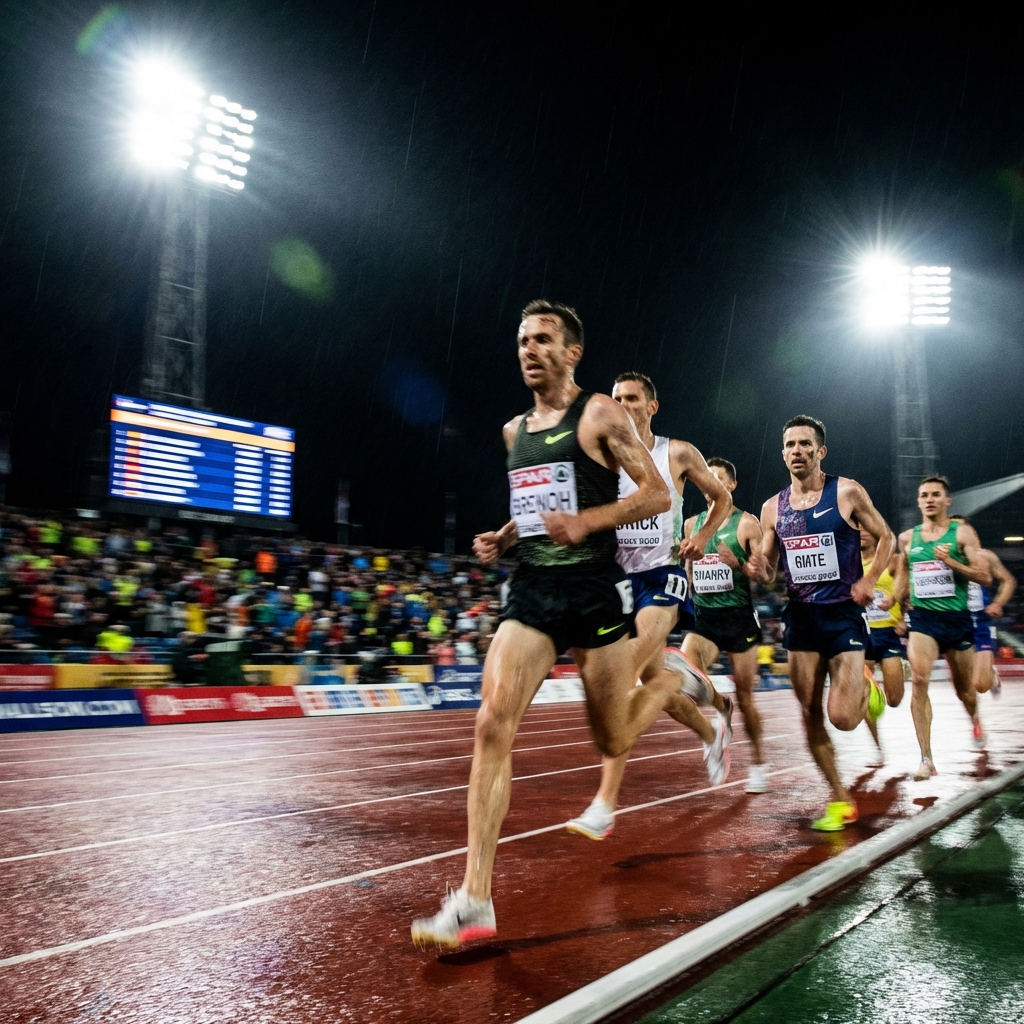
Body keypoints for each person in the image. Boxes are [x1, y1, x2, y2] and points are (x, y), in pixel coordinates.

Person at [411, 300, 717, 948]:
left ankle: (668, 685)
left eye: (543, 339)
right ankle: (475, 899)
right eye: (522, 339)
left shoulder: (600, 412)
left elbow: (656, 494)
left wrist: (588, 523)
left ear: (571, 352)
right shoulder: (511, 430)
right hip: (534, 591)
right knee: (492, 720)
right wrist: (504, 534)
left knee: (612, 738)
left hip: (593, 590)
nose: (529, 349)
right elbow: (536, 503)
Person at [565, 373, 732, 841]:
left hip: (664, 577)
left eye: (632, 399)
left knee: (619, 679)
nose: (622, 405)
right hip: (617, 582)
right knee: (654, 681)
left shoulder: (675, 452)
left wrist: (699, 537)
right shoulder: (602, 455)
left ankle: (604, 804)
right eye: (616, 399)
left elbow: (721, 498)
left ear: (651, 406)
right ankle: (712, 727)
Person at [758, 415, 895, 832]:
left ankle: (866, 688)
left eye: (805, 444)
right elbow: (768, 569)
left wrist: (869, 579)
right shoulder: (771, 507)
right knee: (809, 713)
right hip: (800, 619)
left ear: (821, 451)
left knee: (843, 718)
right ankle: (840, 798)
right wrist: (753, 564)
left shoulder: (847, 491)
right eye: (789, 445)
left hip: (842, 616)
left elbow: (886, 537)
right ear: (782, 453)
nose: (797, 451)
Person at [681, 457, 770, 794]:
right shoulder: (691, 525)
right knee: (686, 681)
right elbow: (687, 564)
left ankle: (759, 763)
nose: (709, 483)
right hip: (705, 619)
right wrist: (689, 582)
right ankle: (721, 709)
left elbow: (764, 577)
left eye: (717, 478)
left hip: (739, 618)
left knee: (747, 700)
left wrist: (740, 564)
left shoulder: (747, 524)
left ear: (730, 486)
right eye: (705, 478)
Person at [894, 483, 992, 780]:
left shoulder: (962, 533)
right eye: (924, 495)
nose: (929, 499)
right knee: (920, 679)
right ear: (918, 501)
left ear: (947, 500)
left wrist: (950, 562)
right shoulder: (908, 539)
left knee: (965, 691)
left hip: (957, 620)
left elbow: (985, 575)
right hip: (923, 620)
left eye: (936, 494)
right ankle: (926, 758)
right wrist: (896, 605)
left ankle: (974, 716)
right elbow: (903, 578)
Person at [859, 527, 907, 757]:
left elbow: (907, 588)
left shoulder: (893, 560)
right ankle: (877, 747)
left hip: (887, 633)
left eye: (866, 530)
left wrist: (903, 614)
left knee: (894, 699)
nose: (861, 534)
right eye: (856, 531)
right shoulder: (849, 564)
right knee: (865, 696)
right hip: (862, 634)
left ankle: (883, 682)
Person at [966, 545, 1016, 697]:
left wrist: (998, 603)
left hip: (979, 618)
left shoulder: (984, 556)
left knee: (980, 684)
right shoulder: (940, 555)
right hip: (952, 618)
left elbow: (1008, 580)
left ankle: (989, 671)